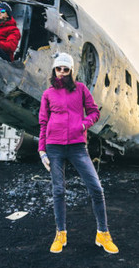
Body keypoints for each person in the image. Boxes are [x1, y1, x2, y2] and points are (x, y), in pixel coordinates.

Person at [38, 52, 119, 254]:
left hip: (77, 146)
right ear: (54, 70)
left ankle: (103, 233)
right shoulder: (47, 94)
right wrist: (41, 150)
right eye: (59, 69)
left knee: (96, 188)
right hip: (54, 146)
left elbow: (94, 112)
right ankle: (61, 233)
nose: (62, 73)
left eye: (66, 69)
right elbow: (43, 123)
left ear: (72, 71)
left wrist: (84, 124)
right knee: (58, 191)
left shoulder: (81, 90)